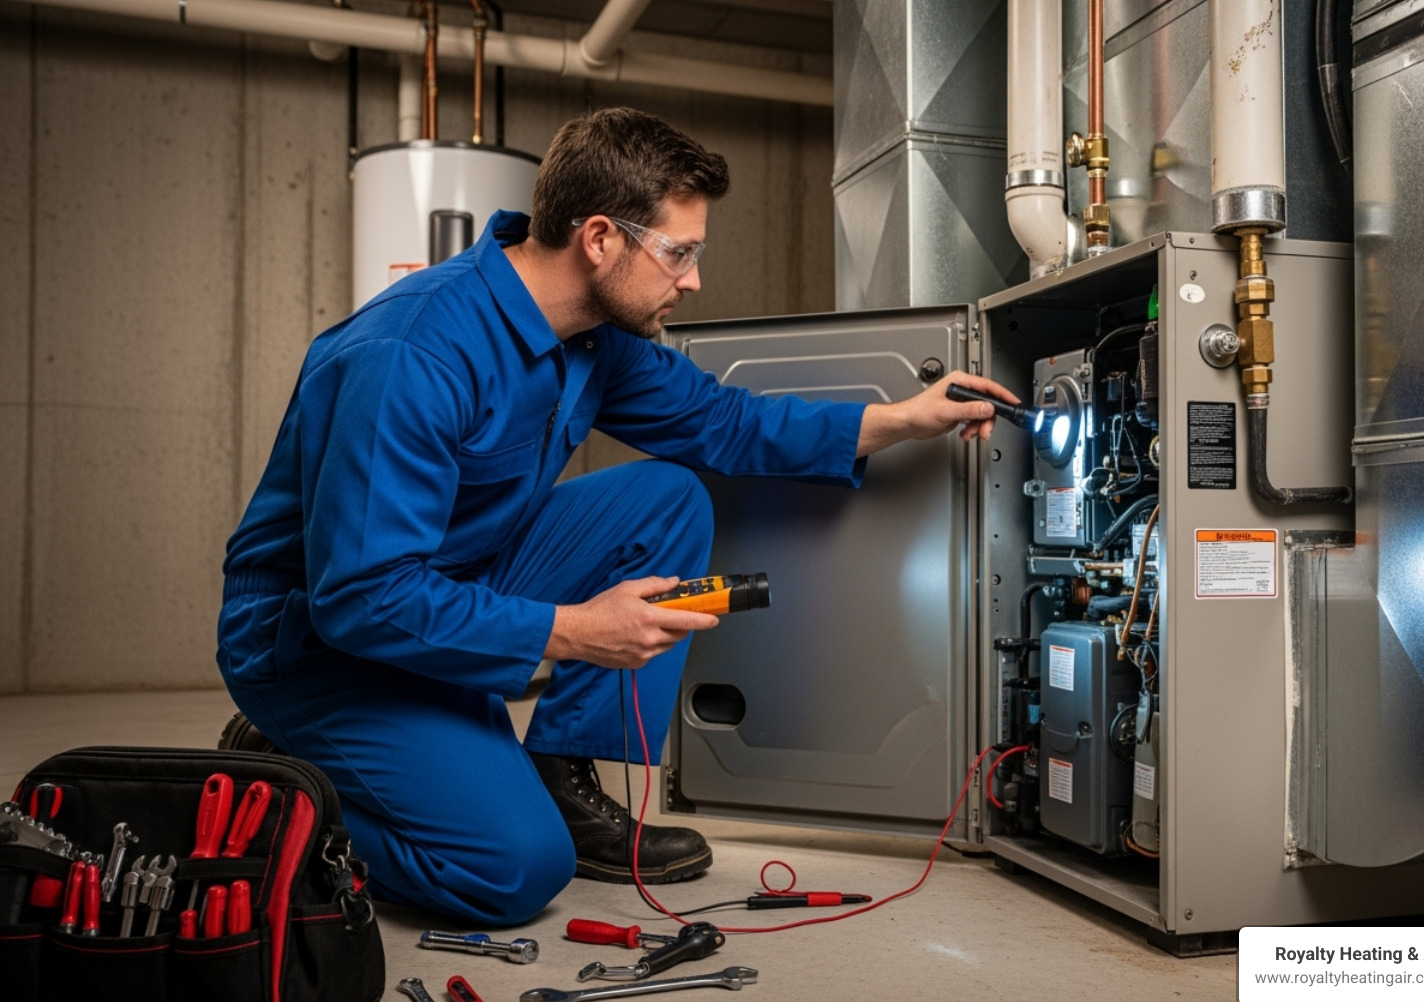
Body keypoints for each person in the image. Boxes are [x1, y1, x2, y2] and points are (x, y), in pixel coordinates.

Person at [216, 106, 1020, 926]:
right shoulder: (413, 355)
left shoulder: (592, 336)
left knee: (666, 498)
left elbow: (725, 423)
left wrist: (897, 420)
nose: (693, 278)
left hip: (447, 577)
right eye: (679, 253)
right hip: (320, 641)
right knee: (511, 870)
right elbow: (361, 596)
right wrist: (572, 630)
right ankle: (286, 780)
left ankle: (559, 777)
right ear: (599, 238)